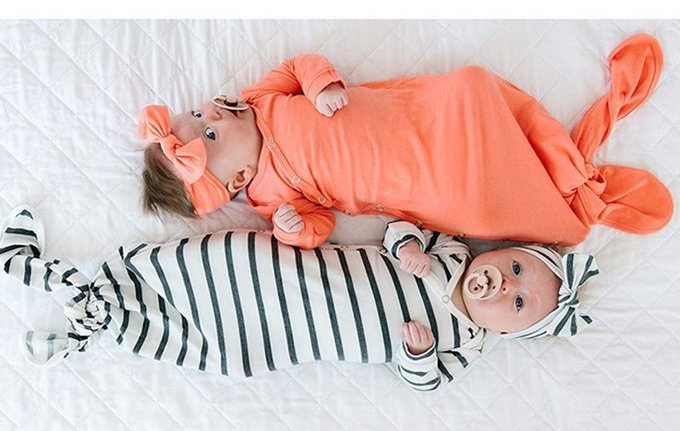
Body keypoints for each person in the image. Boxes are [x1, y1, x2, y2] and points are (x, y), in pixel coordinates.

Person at [138, 34, 672, 249]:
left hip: (422, 118)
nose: (210, 113)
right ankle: (571, 194)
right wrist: (293, 231)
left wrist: (321, 85)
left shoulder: (260, 99)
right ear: (236, 178)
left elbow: (300, 64)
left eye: (197, 114)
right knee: (475, 205)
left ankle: (559, 162)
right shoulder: (269, 199)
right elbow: (322, 224)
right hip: (419, 183)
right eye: (209, 134)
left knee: (471, 87)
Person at [0, 208, 597, 390]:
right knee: (213, 257)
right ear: (504, 249)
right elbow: (397, 228)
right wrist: (410, 245)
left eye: (518, 304)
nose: (504, 285)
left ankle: (88, 328)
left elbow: (429, 381)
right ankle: (48, 274)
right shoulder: (451, 253)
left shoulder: (467, 342)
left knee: (200, 345)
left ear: (510, 332)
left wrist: (418, 356)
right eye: (515, 267)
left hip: (281, 338)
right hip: (280, 273)